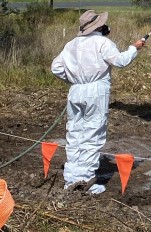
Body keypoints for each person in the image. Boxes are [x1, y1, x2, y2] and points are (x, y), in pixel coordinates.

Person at [51, 10, 145, 192]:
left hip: (75, 90)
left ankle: (71, 177)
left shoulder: (70, 44)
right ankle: (85, 179)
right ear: (100, 26)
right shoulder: (103, 43)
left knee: (75, 133)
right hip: (95, 91)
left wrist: (73, 80)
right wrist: (134, 48)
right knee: (92, 133)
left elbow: (56, 68)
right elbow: (120, 61)